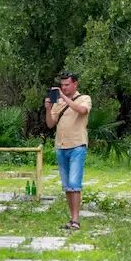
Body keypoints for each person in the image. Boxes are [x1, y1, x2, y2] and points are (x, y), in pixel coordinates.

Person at [45, 72, 92, 230]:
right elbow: (50, 124)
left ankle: (76, 220)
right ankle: (71, 218)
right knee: (67, 186)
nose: (64, 88)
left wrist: (64, 98)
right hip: (61, 146)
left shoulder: (84, 98)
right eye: (62, 85)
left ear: (75, 84)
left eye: (67, 85)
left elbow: (82, 111)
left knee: (74, 183)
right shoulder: (58, 102)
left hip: (77, 145)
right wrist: (49, 108)